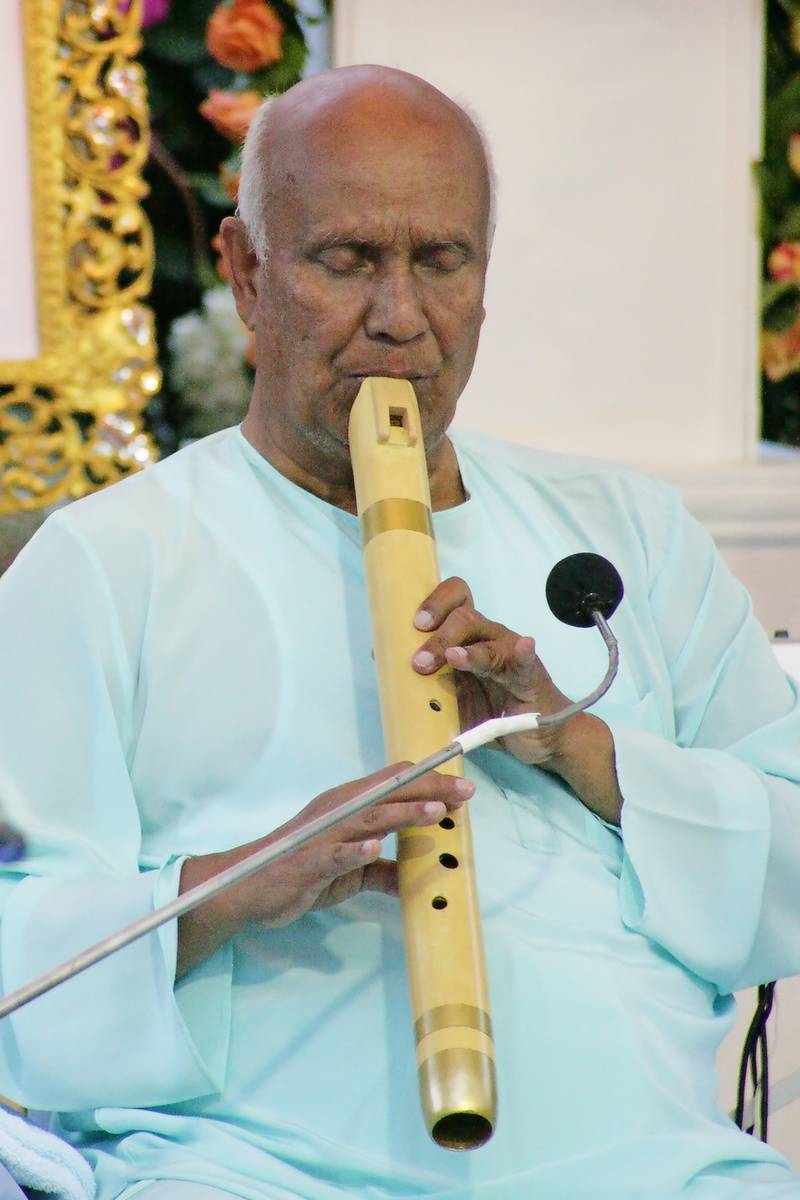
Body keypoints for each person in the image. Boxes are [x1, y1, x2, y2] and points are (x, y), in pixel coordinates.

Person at [0, 64, 799, 1200]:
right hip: (255, 1177)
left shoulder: (625, 533)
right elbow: (18, 967)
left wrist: (576, 747)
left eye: (441, 260)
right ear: (247, 272)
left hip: (659, 1169)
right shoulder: (105, 562)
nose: (400, 317)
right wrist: (233, 886)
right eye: (348, 260)